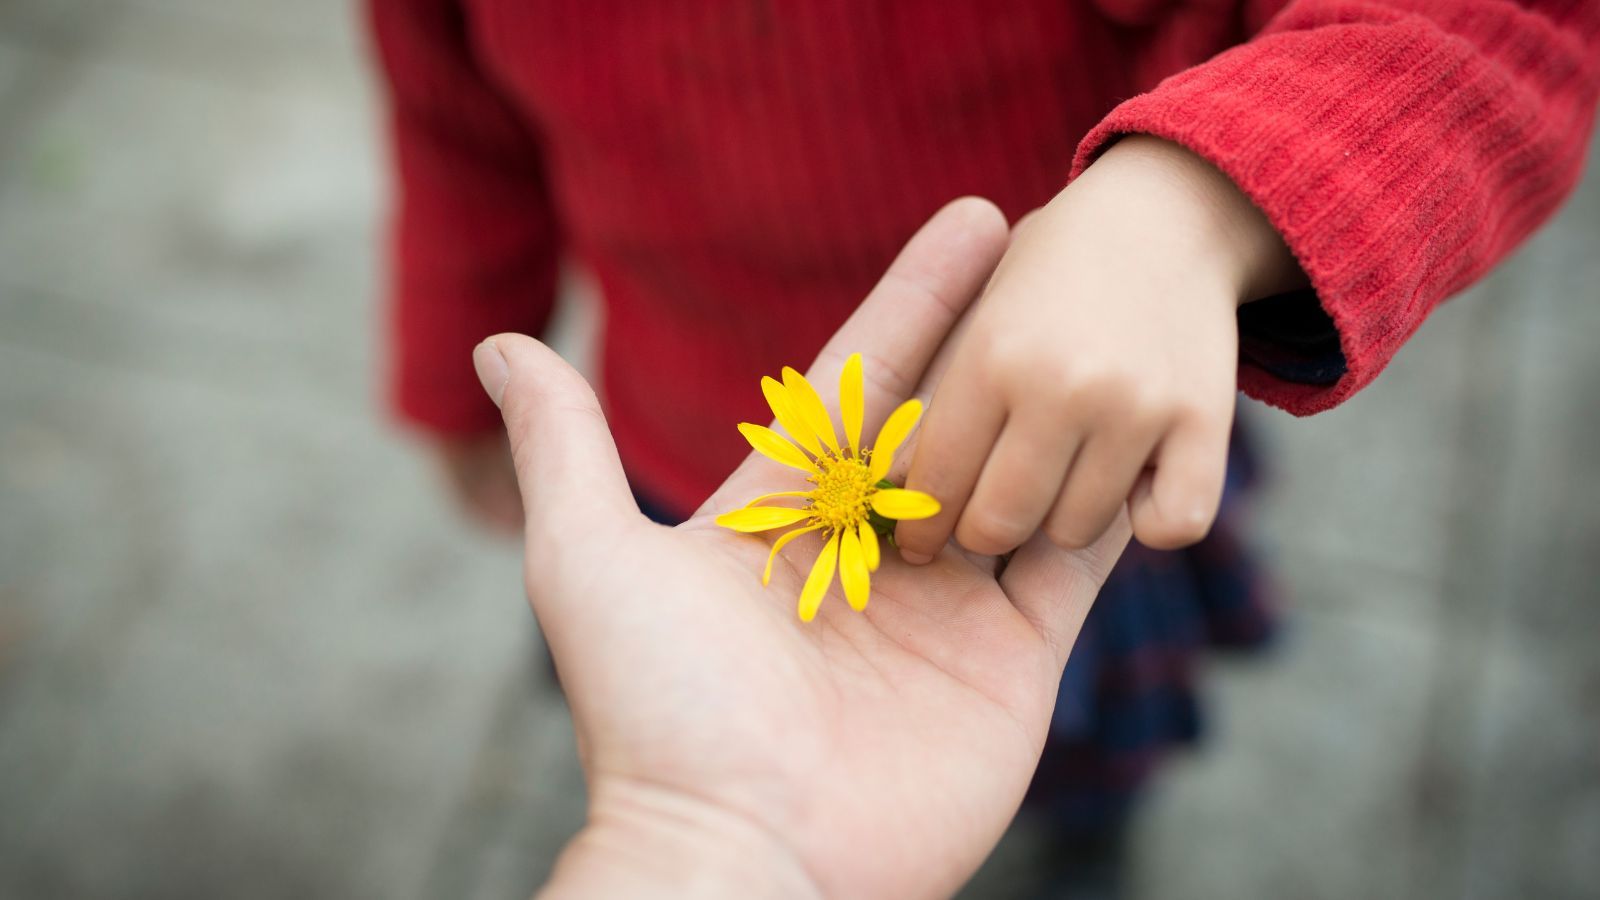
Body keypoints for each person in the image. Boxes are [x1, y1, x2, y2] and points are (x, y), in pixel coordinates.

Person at [368, 0, 1600, 887]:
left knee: (1078, 716)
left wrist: (1189, 207)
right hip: (698, 469)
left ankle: (1089, 826)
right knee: (671, 691)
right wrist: (454, 383)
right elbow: (454, 136)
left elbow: (1496, 28)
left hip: (1053, 486)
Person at [474, 203, 1132, 897]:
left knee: (1096, 711)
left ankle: (1094, 824)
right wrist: (696, 832)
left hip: (1039, 372)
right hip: (670, 432)